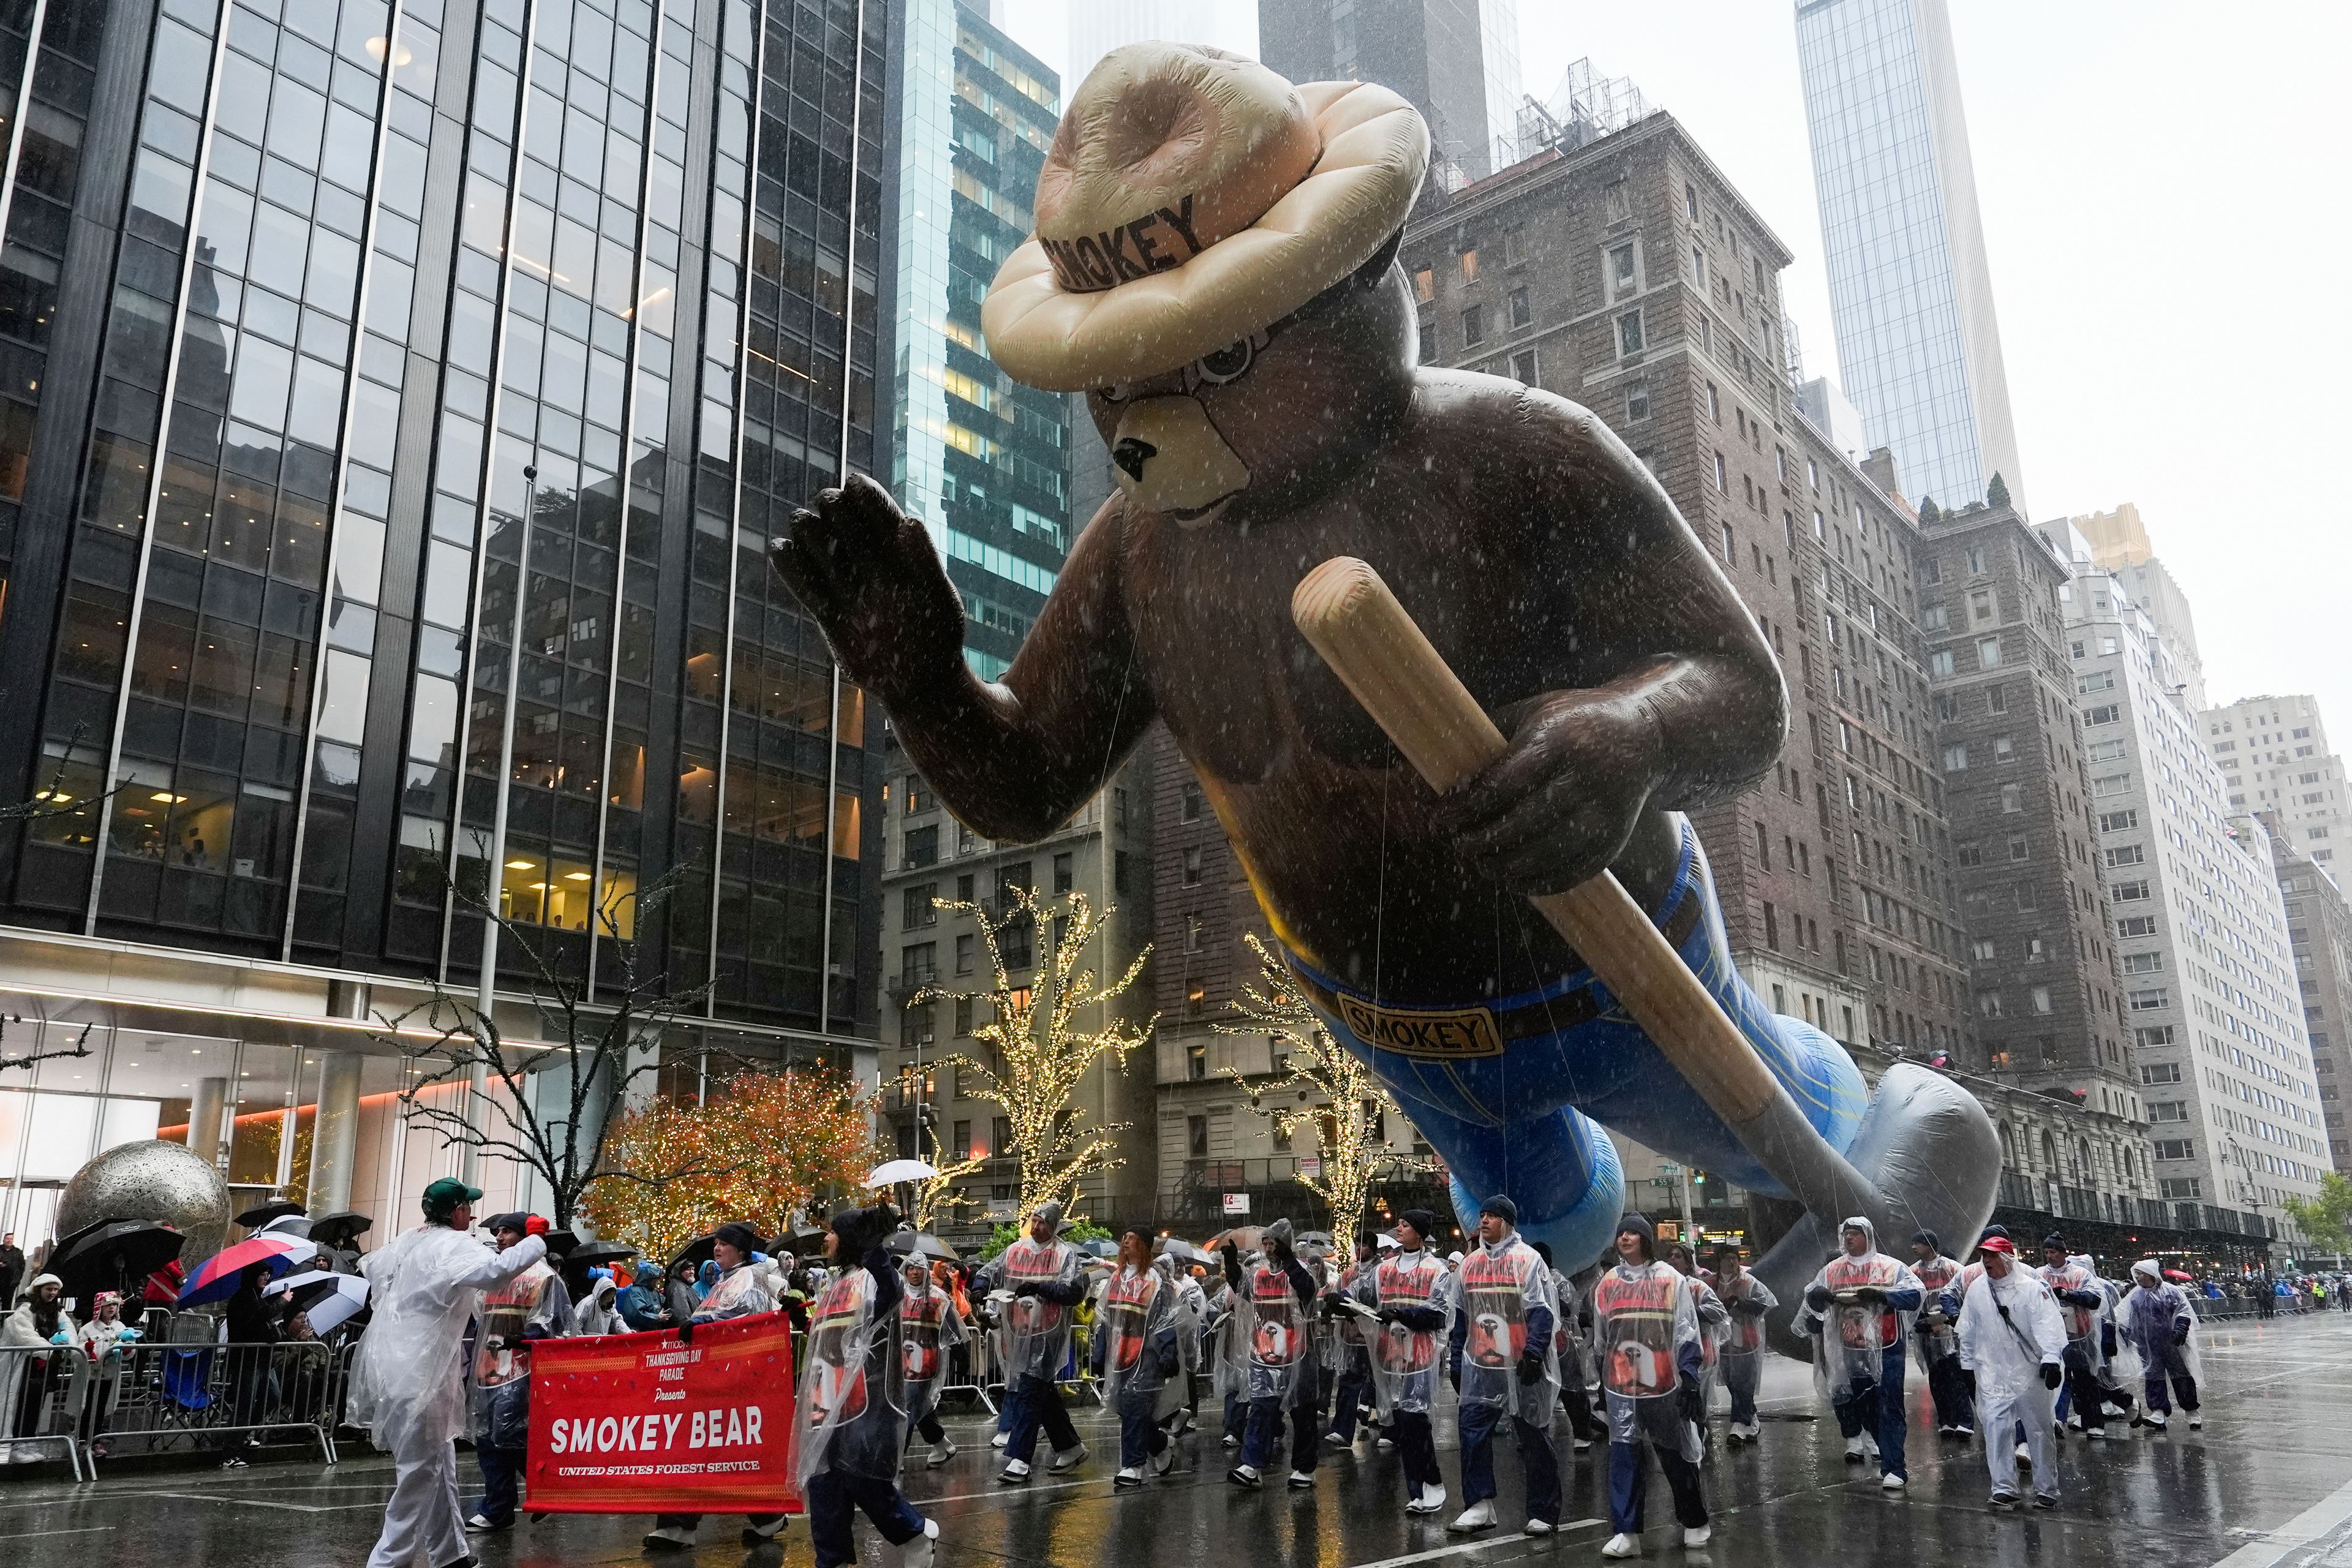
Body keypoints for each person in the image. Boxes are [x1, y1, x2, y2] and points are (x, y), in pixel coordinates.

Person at [347, 1177, 548, 1568]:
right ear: (456, 1212)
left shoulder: (407, 1242)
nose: (471, 1216)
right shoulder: (452, 1245)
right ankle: (387, 1562)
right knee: (420, 1472)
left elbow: (373, 1274)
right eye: (467, 1208)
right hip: (423, 1374)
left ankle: (449, 1553)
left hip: (395, 1368)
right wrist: (535, 1241)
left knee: (440, 1462)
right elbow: (496, 1272)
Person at [794, 1204, 938, 1568]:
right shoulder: (836, 1280)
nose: (826, 1238)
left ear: (849, 1240)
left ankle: (915, 1533)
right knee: (823, 1479)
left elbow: (890, 1294)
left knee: (862, 1477)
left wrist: (876, 1251)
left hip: (866, 1398)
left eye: (832, 1232)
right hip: (826, 1399)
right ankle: (832, 1559)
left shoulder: (873, 1277)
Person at [642, 1223, 788, 1551]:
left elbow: (746, 1317)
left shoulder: (750, 1277)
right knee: (701, 1449)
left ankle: (766, 1515)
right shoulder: (724, 1280)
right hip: (711, 1379)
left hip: (736, 1381)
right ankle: (683, 1523)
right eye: (716, 1244)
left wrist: (704, 1322)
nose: (717, 1249)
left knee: (721, 1451)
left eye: (724, 1244)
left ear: (740, 1249)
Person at [1591, 1215, 1708, 1557]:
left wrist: (1689, 1378)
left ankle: (1694, 1519)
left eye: (1632, 1233)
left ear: (1645, 1239)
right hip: (1621, 1388)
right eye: (1621, 1233)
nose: (1625, 1238)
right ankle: (1627, 1532)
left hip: (1664, 1387)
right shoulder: (1608, 1283)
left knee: (1675, 1456)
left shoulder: (1671, 1279)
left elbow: (1687, 1331)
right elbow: (1602, 1339)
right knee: (1624, 1456)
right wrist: (1602, 1383)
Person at [1446, 1195, 1562, 1536]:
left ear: (1508, 1222)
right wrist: (1457, 1359)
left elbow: (1541, 1311)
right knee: (1472, 1430)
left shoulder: (1528, 1260)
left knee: (1533, 1436)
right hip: (1482, 1366)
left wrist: (1534, 1353)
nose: (1484, 1220)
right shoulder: (1470, 1264)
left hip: (1521, 1365)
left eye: (1492, 1216)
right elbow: (1462, 1317)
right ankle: (1479, 1504)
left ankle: (1543, 1511)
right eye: (1482, 1214)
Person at [1794, 1216, 1923, 1490]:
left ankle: (1895, 1468)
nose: (1849, 1239)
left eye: (1855, 1234)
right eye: (1846, 1234)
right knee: (1865, 1406)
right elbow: (1811, 1301)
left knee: (1889, 1406)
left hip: (1888, 1349)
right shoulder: (1833, 1270)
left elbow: (1915, 1295)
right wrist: (1819, 1300)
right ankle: (1884, 1451)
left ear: (1868, 1236)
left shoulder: (1891, 1267)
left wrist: (1883, 1297)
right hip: (1851, 1351)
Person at [463, 1213, 568, 1534]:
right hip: (489, 1366)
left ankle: (547, 1491)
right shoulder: (495, 1275)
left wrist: (528, 1337)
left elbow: (554, 1322)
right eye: (498, 1232)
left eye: (507, 1232)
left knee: (511, 1433)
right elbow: (479, 1313)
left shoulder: (544, 1277)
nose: (499, 1238)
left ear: (525, 1236)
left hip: (522, 1369)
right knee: (486, 1436)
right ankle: (498, 1508)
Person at [974, 1199, 1089, 1483]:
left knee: (1028, 1391)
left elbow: (1074, 1292)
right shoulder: (1016, 1250)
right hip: (1019, 1333)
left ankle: (1020, 1459)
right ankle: (1071, 1447)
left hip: (1047, 1336)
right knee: (1041, 1394)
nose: (1036, 1227)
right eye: (1034, 1221)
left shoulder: (1065, 1255)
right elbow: (989, 1271)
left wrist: (1040, 1288)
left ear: (1054, 1227)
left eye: (1043, 1223)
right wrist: (978, 1289)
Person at [1351, 1208, 1452, 1515]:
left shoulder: (1438, 1270)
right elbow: (1362, 1292)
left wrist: (1402, 1314)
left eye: (1406, 1225)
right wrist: (1340, 1299)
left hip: (1420, 1357)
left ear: (1419, 1233)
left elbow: (1439, 1315)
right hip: (1390, 1357)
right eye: (1400, 1223)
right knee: (1403, 1424)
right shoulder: (1385, 1269)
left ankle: (1430, 1483)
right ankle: (1417, 1492)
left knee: (1414, 1421)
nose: (1399, 1228)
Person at [1954, 1235, 2064, 1509]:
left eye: (1992, 1256)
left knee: (2039, 1429)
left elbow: (2048, 1324)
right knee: (1996, 1429)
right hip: (1992, 1373)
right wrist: (1967, 1366)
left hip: (2029, 1371)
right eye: (1984, 1256)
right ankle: (2003, 1487)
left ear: (2006, 1258)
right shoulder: (1978, 1290)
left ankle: (2046, 1489)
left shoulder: (2031, 1289)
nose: (1987, 1261)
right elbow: (1968, 1331)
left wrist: (2051, 1359)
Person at [1223, 1217, 1320, 1488]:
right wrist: (1232, 1266)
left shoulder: (1300, 1271)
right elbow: (1244, 1292)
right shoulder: (1259, 1275)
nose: (1268, 1247)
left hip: (1298, 1354)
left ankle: (1304, 1467)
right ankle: (1252, 1465)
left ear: (1285, 1245)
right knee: (1262, 1408)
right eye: (1265, 1242)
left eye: (1273, 1242)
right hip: (1264, 1355)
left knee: (1302, 1412)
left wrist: (1289, 1260)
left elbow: (1307, 1290)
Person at [1093, 1227, 1180, 1487]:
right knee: (1126, 1409)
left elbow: (1166, 1319)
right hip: (1120, 1356)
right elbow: (1107, 1318)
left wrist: (1168, 1353)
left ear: (1144, 1246)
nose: (1125, 1243)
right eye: (1125, 1239)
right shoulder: (1118, 1277)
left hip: (1147, 1356)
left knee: (1135, 1408)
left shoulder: (1156, 1279)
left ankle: (1133, 1466)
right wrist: (1100, 1352)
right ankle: (1161, 1443)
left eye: (1132, 1240)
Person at [1535, 1240, 1607, 1450]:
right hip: (1537, 1343)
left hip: (1562, 1344)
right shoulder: (1527, 1279)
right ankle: (1536, 1433)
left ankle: (1583, 1433)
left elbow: (1567, 1309)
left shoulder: (1559, 1282)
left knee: (1572, 1389)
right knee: (1538, 1391)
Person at [2037, 1235, 2109, 1439]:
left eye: (2054, 1252)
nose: (2050, 1256)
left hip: (2080, 1336)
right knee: (2056, 1380)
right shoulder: (2038, 1275)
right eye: (2047, 1252)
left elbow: (2095, 1299)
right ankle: (2056, 1419)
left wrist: (2069, 1295)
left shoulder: (2080, 1273)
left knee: (2085, 1381)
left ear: (2063, 1252)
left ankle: (2094, 1423)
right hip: (2051, 1338)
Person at [900, 1251, 967, 1470]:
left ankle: (897, 1456)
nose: (915, 1273)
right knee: (921, 1406)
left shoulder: (939, 1297)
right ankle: (942, 1445)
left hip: (927, 1362)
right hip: (902, 1361)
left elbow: (955, 1327)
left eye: (919, 1268)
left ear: (926, 1272)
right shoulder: (899, 1295)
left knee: (908, 1406)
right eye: (911, 1268)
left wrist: (960, 1352)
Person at [2120, 1260, 2202, 1431]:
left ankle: (2191, 1411)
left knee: (2181, 1377)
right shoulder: (2135, 1295)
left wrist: (2180, 1330)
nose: (2138, 1277)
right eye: (2137, 1274)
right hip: (2147, 1346)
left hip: (2172, 1344)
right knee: (2153, 1377)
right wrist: (2125, 1335)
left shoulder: (2171, 1292)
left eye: (2141, 1273)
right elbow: (2127, 1318)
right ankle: (2158, 1412)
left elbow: (2183, 1311)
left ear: (2151, 1274)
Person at [1, 1273, 74, 1463]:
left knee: (36, 1405)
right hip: (26, 1365)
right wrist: (52, 1351)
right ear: (38, 1290)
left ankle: (27, 1442)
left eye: (55, 1290)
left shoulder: (57, 1311)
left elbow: (68, 1329)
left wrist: (67, 1344)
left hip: (45, 1366)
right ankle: (18, 1444)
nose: (52, 1293)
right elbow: (25, 1335)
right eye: (48, 1289)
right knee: (21, 1405)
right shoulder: (26, 1309)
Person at [1661, 1242, 1725, 1454]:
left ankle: (1696, 1445)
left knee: (1694, 1402)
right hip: (1670, 1356)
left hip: (1701, 1353)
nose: (1672, 1259)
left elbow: (1718, 1311)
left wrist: (1689, 1314)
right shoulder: (1661, 1286)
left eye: (1678, 1256)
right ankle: (1690, 1441)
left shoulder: (1697, 1287)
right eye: (1669, 1256)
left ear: (1689, 1265)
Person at [1708, 1244, 1776, 1444]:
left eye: (1735, 1258)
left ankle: (1738, 1425)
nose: (1732, 1262)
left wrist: (1740, 1303)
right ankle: (1751, 1420)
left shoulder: (1748, 1281)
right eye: (1727, 1257)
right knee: (1732, 1383)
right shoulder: (1710, 1283)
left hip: (1746, 1342)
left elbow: (1765, 1304)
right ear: (1719, 1261)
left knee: (1744, 1384)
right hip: (1724, 1342)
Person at [1908, 1231, 1972, 1437]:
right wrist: (1920, 1322)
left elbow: (1965, 1293)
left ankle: (1964, 1421)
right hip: (1928, 1335)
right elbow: (1910, 1303)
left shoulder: (1952, 1268)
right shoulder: (1912, 1272)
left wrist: (1950, 1316)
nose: (1914, 1248)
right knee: (1937, 1379)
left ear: (1930, 1245)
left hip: (1951, 1332)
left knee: (1956, 1376)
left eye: (1918, 1243)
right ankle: (1946, 1421)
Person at [219, 1261, 282, 1468]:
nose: (266, 1278)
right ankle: (230, 1451)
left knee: (272, 1397)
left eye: (267, 1274)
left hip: (264, 1360)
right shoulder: (243, 1299)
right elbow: (260, 1317)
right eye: (262, 1274)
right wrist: (283, 1301)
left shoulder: (258, 1298)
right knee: (244, 1405)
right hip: (248, 1361)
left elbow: (265, 1320)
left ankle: (245, 1434)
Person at [77, 1291, 140, 1455]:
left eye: (114, 1305)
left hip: (109, 1374)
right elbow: (78, 1352)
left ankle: (96, 1441)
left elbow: (130, 1348)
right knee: (87, 1406)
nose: (111, 1308)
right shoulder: (88, 1328)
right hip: (91, 1374)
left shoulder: (121, 1327)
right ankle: (83, 1440)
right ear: (100, 1307)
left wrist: (128, 1350)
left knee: (101, 1408)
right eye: (108, 1305)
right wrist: (87, 1350)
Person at [0, 1232, 21, 1311]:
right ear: (4, 1240)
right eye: (8, 1239)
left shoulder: (18, 1252)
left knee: (7, 1305)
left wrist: (17, 1280)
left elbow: (21, 1267)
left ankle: (4, 1322)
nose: (9, 1241)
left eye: (11, 1239)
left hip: (10, 1283)